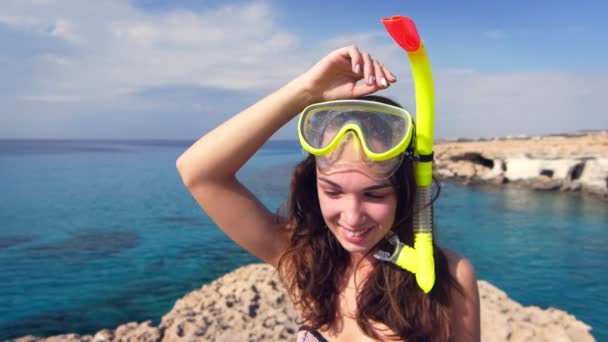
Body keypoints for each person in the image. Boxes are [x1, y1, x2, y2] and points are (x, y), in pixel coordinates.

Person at [176, 45, 480, 341]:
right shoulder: (302, 261)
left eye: (374, 195)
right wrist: (306, 92)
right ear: (313, 186)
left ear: (404, 192)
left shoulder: (449, 277)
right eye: (333, 192)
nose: (352, 217)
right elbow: (199, 172)